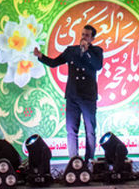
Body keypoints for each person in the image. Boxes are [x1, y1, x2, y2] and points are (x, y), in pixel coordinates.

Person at [34, 24, 104, 163]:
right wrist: (41, 56)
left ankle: (89, 160)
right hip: (73, 96)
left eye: (87, 35)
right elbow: (54, 63)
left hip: (88, 97)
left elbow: (98, 66)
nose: (84, 37)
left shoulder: (96, 51)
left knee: (90, 130)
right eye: (83, 34)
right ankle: (74, 161)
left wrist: (87, 51)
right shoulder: (71, 50)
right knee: (71, 130)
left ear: (92, 39)